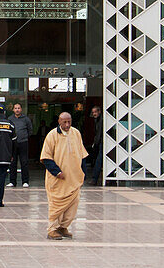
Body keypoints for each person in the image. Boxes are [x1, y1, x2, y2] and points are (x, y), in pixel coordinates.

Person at [40, 110, 86, 240]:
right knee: (56, 205)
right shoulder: (52, 135)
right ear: (59, 121)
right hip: (58, 179)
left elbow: (82, 154)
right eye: (64, 122)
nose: (67, 124)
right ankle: (52, 229)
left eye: (69, 122)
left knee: (73, 204)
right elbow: (46, 157)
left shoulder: (76, 133)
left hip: (73, 179)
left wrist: (82, 173)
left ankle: (63, 227)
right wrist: (57, 172)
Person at [8, 102, 33, 188]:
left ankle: (25, 181)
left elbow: (30, 131)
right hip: (13, 143)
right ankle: (12, 181)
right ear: (13, 110)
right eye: (15, 108)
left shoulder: (26, 119)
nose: (17, 110)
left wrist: (24, 137)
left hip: (23, 143)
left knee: (24, 162)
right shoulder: (10, 119)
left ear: (21, 109)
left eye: (19, 108)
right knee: (12, 163)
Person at [82, 104, 103, 186]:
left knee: (98, 160)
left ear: (99, 112)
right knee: (99, 160)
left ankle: (94, 178)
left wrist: (96, 143)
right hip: (99, 142)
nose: (94, 114)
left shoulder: (100, 120)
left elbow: (99, 133)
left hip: (101, 143)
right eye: (93, 112)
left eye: (95, 112)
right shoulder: (97, 120)